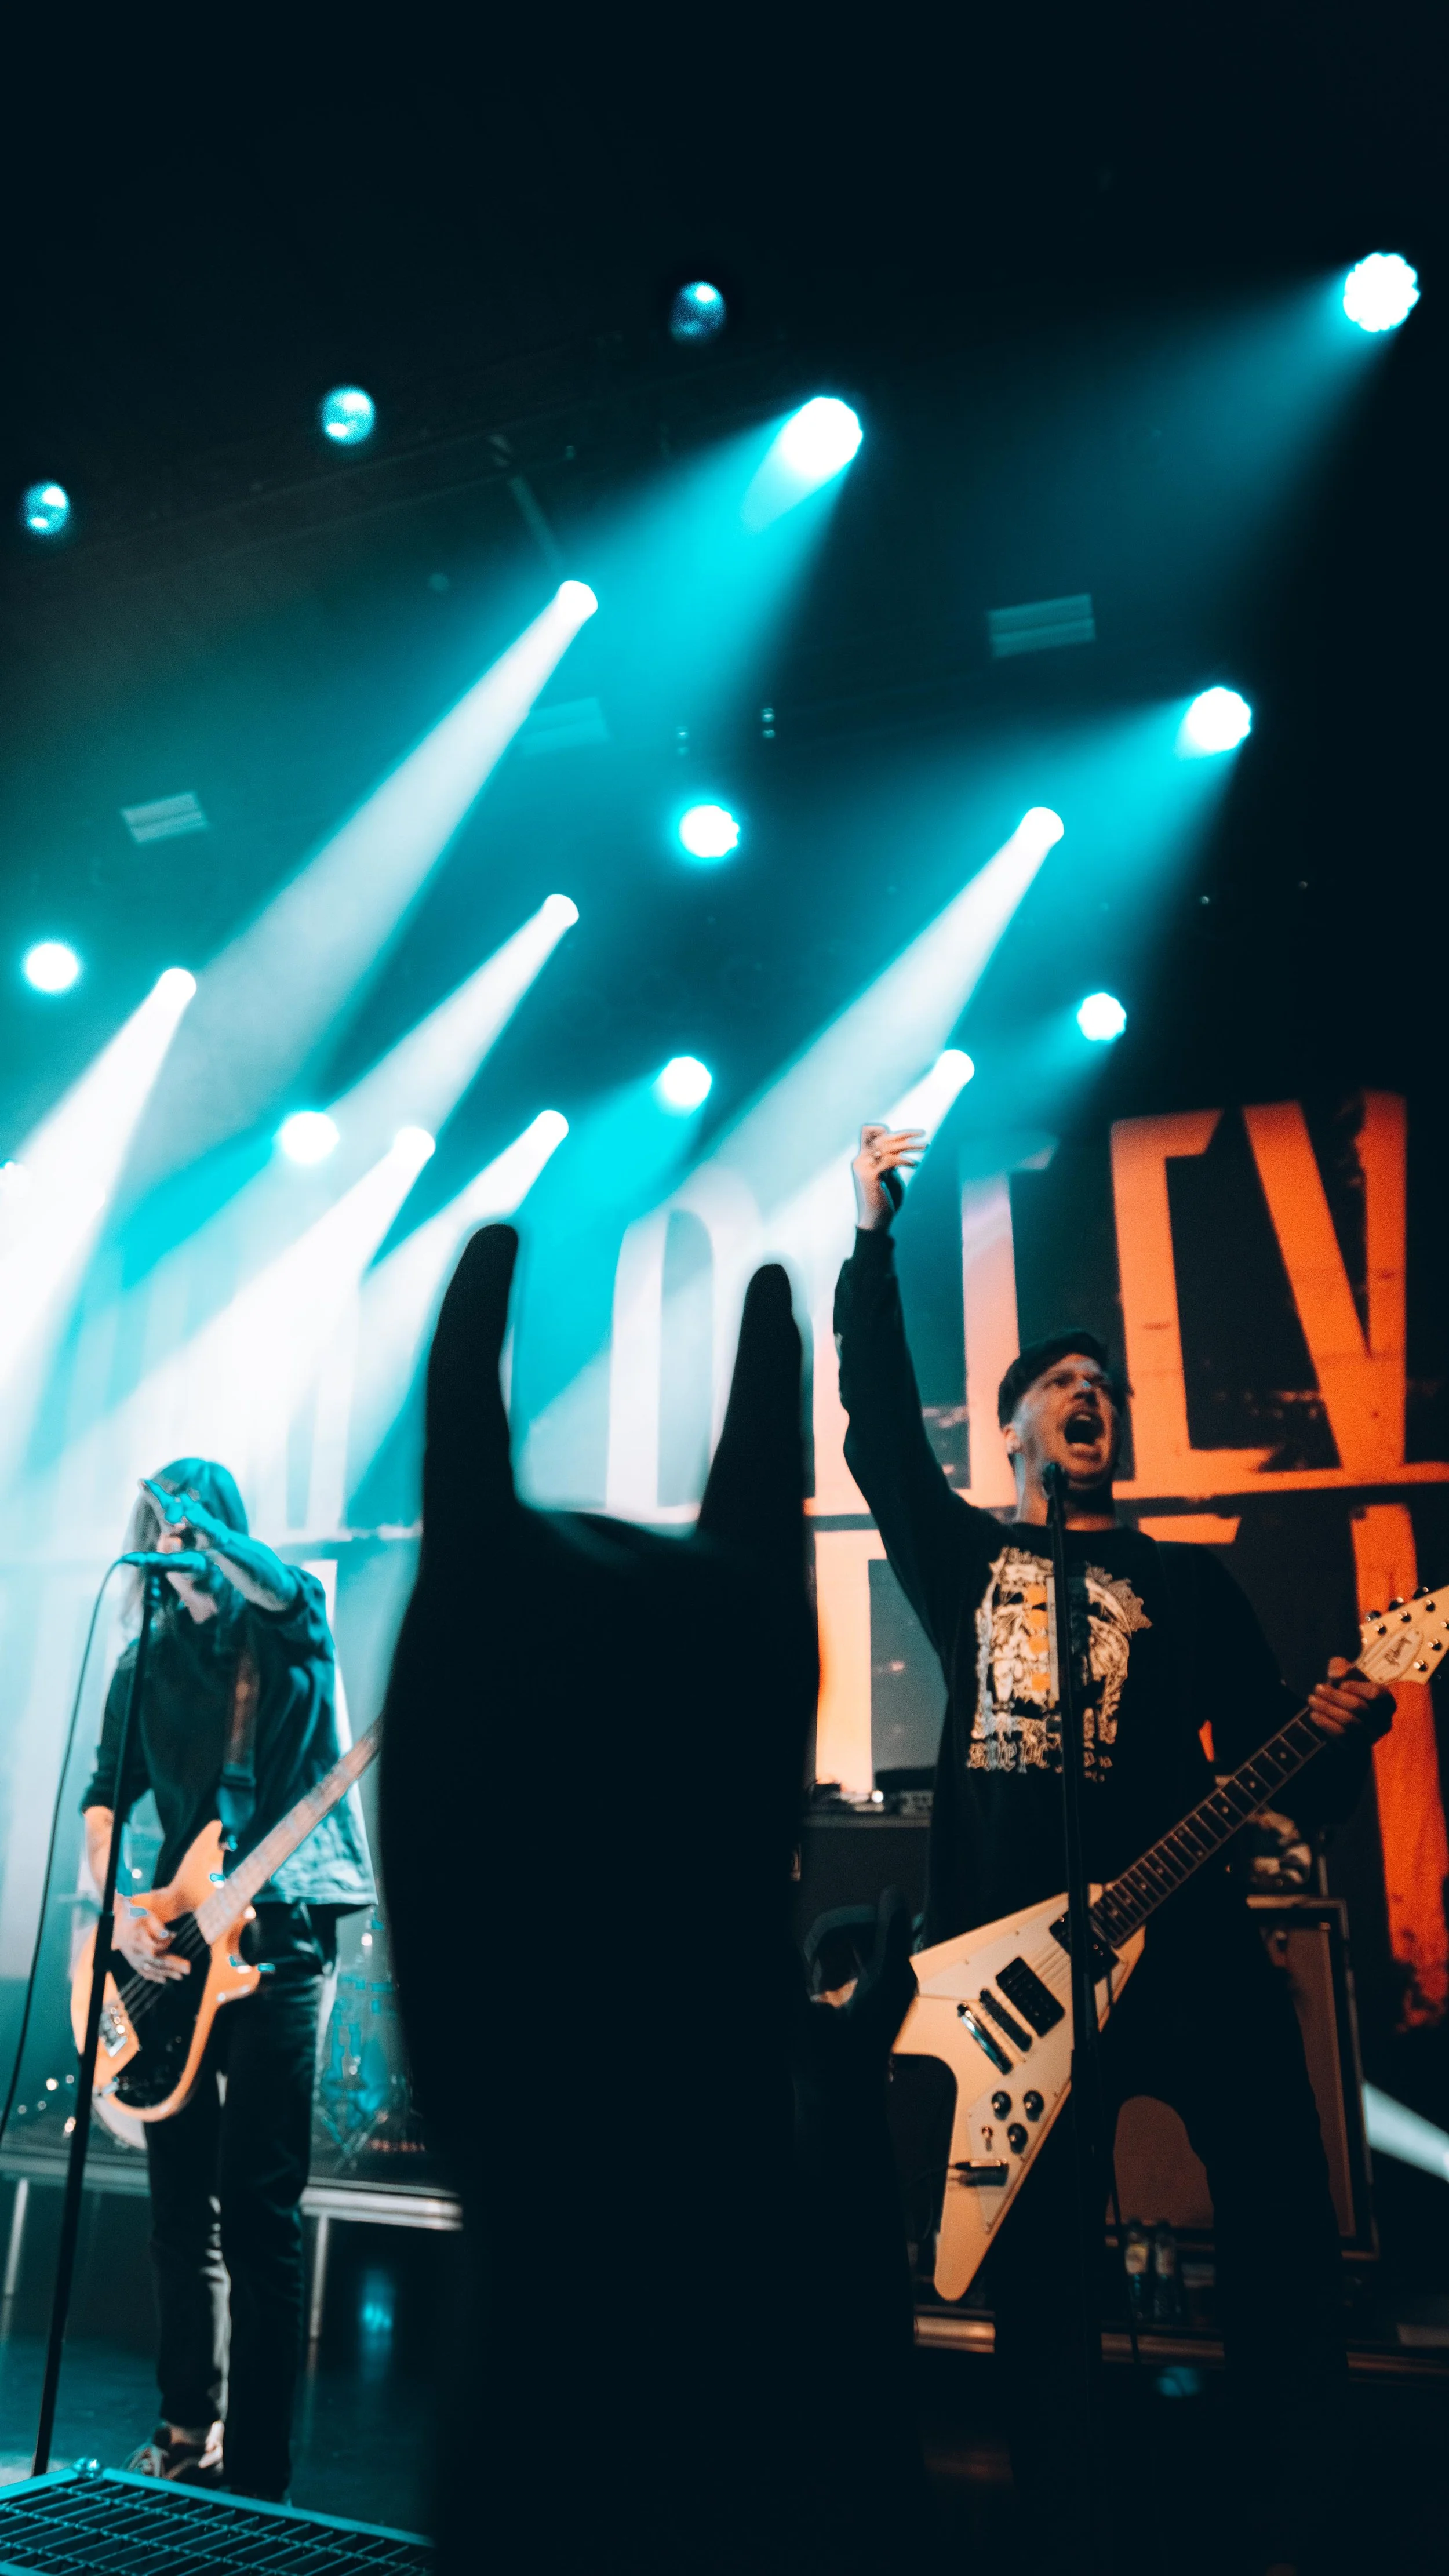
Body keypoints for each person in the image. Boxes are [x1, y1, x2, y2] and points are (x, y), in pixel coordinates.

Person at [833, 1124, 1393, 2575]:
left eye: (1105, 1388)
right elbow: (876, 1430)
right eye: (1062, 1384)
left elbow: (1289, 1761)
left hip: (1184, 1938)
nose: (1092, 1396)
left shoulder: (1187, 1584)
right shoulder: (965, 1561)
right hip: (1016, 1962)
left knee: (1277, 2197)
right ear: (1012, 1425)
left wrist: (1344, 1723)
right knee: (1041, 2279)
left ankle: (1290, 2506)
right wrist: (871, 1241)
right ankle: (1067, 2528)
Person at [81, 1457, 373, 2501]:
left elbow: (284, 1588)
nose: (169, 1540)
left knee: (257, 2209)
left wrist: (208, 1531)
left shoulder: (288, 1629)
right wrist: (112, 1905)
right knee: (175, 2212)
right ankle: (182, 2424)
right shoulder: (140, 1663)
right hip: (172, 1944)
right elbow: (103, 1797)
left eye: (189, 1526)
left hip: (283, 1933)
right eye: (158, 1523)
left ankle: (258, 2472)